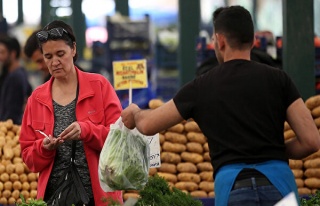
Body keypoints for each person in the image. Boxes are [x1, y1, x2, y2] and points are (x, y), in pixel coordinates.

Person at [121, 6, 320, 206]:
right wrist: (273, 151)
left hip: (234, 188)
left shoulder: (202, 86)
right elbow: (311, 141)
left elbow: (148, 125)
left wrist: (136, 113)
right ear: (252, 41)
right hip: (280, 187)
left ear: (220, 40)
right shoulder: (279, 79)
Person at [19, 20, 123, 205]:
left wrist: (87, 130)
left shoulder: (99, 86)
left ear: (73, 49)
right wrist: (44, 148)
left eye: (61, 54)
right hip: (53, 198)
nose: (55, 62)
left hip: (99, 197)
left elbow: (120, 140)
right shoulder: (36, 99)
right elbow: (28, 157)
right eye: (48, 56)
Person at [0, 35, 32, 124]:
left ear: (13, 54)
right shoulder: (12, 74)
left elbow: (12, 113)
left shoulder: (16, 77)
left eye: (2, 52)